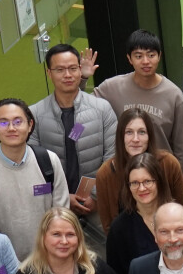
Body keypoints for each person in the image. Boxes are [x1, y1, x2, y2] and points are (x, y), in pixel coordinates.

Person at [28, 44, 118, 230]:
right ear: (49, 73)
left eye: (72, 68)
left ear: (80, 70)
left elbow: (113, 159)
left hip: (98, 210)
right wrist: (61, 197)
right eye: (60, 70)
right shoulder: (34, 116)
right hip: (54, 212)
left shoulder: (102, 110)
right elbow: (31, 172)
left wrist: (95, 196)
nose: (67, 75)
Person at [0, 98, 70, 260]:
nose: (11, 128)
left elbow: (62, 214)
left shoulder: (49, 161)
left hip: (51, 259)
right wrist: (11, 263)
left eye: (18, 122)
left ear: (30, 125)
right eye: (3, 123)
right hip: (7, 264)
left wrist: (49, 256)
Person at [94, 29, 183, 175]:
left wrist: (180, 188)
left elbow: (181, 148)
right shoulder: (111, 88)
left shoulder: (175, 96)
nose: (145, 61)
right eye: (138, 56)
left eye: (151, 55)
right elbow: (83, 109)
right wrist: (82, 79)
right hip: (123, 175)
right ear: (129, 58)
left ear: (159, 56)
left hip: (161, 174)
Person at [94, 108, 183, 233]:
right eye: (129, 132)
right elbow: (109, 226)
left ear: (150, 136)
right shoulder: (105, 174)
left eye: (142, 132)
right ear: (120, 136)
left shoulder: (168, 164)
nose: (136, 139)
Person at [106, 153, 181, 274]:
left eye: (147, 181)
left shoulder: (179, 216)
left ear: (159, 181)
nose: (141, 188)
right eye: (135, 183)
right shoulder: (119, 229)